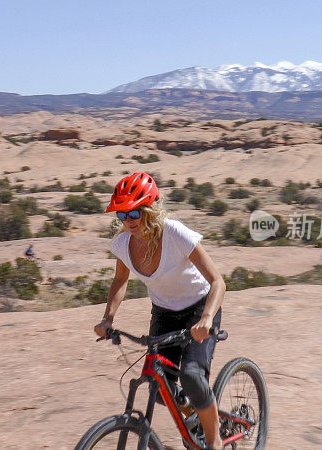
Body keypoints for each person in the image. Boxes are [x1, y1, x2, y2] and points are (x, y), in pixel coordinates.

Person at [93, 172, 227, 449]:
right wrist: (108, 319)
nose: (128, 221)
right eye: (122, 215)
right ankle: (194, 417)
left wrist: (206, 319)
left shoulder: (175, 234)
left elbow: (218, 282)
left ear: (150, 210)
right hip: (164, 313)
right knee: (158, 387)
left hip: (199, 309)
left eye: (134, 213)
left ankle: (215, 442)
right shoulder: (122, 245)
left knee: (191, 375)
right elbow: (120, 280)